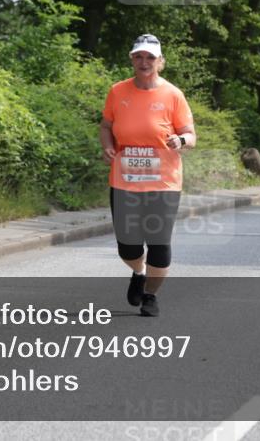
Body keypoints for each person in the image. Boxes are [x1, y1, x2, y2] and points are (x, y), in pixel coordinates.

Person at [99, 34, 195, 317]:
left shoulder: (173, 95)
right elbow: (106, 126)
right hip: (124, 180)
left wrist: (181, 140)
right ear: (132, 59)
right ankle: (138, 272)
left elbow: (191, 134)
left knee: (158, 242)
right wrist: (107, 145)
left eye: (150, 57)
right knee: (127, 246)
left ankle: (151, 295)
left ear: (160, 62)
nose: (144, 62)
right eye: (139, 56)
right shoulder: (118, 92)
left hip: (163, 182)